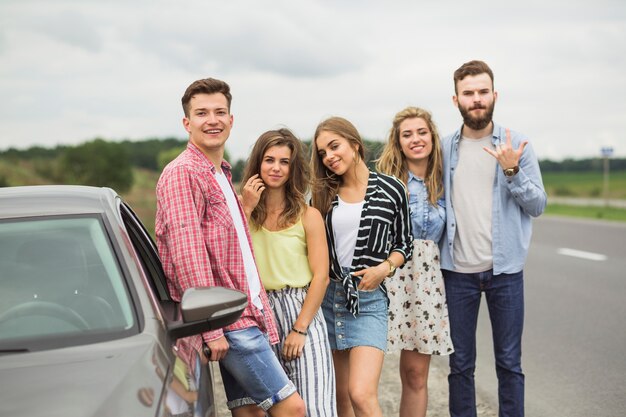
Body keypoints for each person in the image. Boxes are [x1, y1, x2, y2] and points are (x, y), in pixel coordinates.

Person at [155, 78, 305, 417]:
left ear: (231, 119)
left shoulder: (220, 172)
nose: (213, 120)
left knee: (248, 413)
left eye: (220, 112)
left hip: (242, 313)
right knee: (292, 409)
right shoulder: (183, 174)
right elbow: (187, 255)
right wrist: (212, 329)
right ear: (186, 122)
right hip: (227, 321)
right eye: (202, 113)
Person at [440, 60, 547, 417]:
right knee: (460, 366)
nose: (477, 99)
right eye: (468, 93)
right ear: (456, 100)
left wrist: (512, 170)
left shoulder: (518, 145)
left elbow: (537, 205)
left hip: (505, 273)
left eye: (483, 92)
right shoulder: (444, 150)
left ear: (494, 95)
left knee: (509, 364)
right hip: (456, 273)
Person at [310, 116, 413, 417]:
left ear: (354, 144)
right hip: (328, 301)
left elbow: (404, 244)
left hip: (368, 303)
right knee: (340, 397)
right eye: (322, 153)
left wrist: (384, 268)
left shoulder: (392, 189)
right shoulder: (321, 194)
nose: (329, 156)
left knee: (361, 394)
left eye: (334, 146)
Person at [240, 128, 337, 417]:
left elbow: (321, 276)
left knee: (316, 409)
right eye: (269, 160)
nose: (276, 168)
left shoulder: (309, 215)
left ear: (293, 168)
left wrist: (300, 329)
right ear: (258, 163)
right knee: (275, 410)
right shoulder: (242, 210)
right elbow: (228, 255)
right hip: (258, 313)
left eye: (284, 162)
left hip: (301, 310)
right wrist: (245, 209)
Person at [376, 106, 454, 417]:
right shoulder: (384, 182)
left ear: (432, 137)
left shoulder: (445, 181)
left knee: (415, 374)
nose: (415, 139)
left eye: (421, 132)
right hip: (385, 278)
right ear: (398, 141)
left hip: (426, 284)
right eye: (407, 134)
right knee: (362, 373)